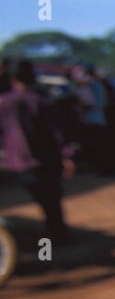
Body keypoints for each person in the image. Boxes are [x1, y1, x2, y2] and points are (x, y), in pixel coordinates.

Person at [0, 60, 75, 240]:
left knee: (42, 197)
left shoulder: (4, 104)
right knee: (52, 200)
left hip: (19, 161)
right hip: (47, 159)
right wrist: (67, 156)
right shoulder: (42, 101)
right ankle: (58, 234)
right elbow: (56, 132)